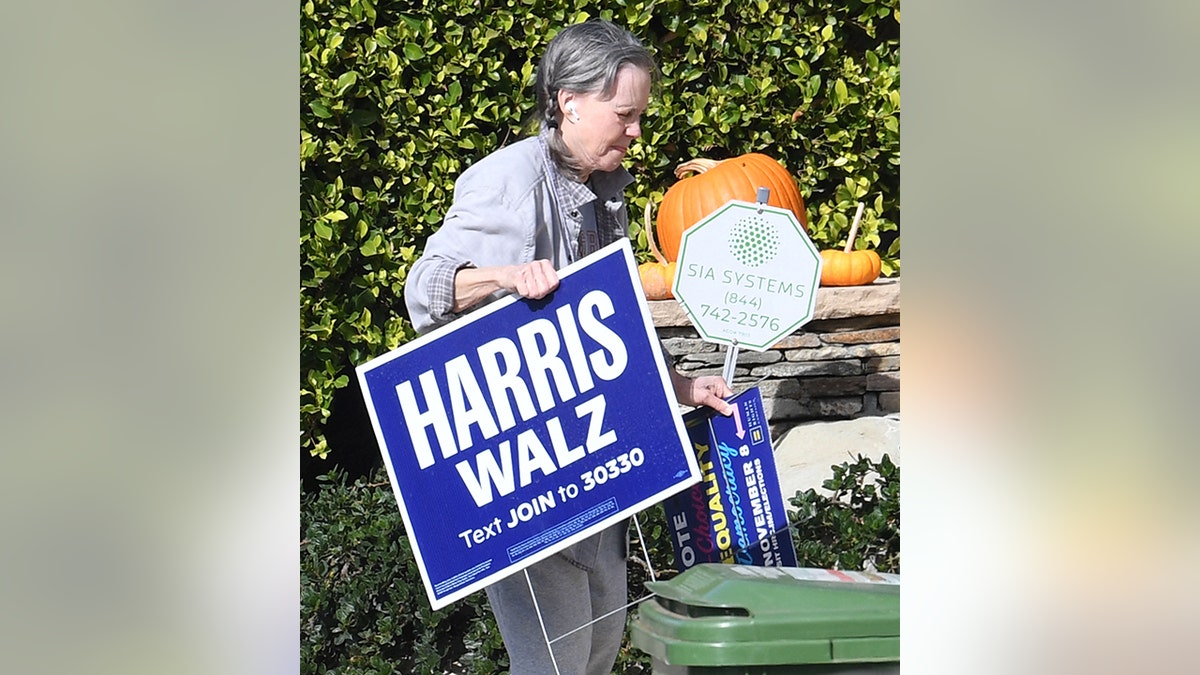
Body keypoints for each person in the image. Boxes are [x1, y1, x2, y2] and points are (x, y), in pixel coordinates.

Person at [404, 19, 733, 675]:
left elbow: (618, 318)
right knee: (555, 663)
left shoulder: (603, 187)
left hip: (588, 462)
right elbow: (424, 288)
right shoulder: (509, 181)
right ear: (569, 102)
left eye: (640, 115)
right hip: (519, 471)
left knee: (599, 650)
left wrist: (680, 386)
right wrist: (505, 276)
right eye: (625, 114)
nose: (636, 131)